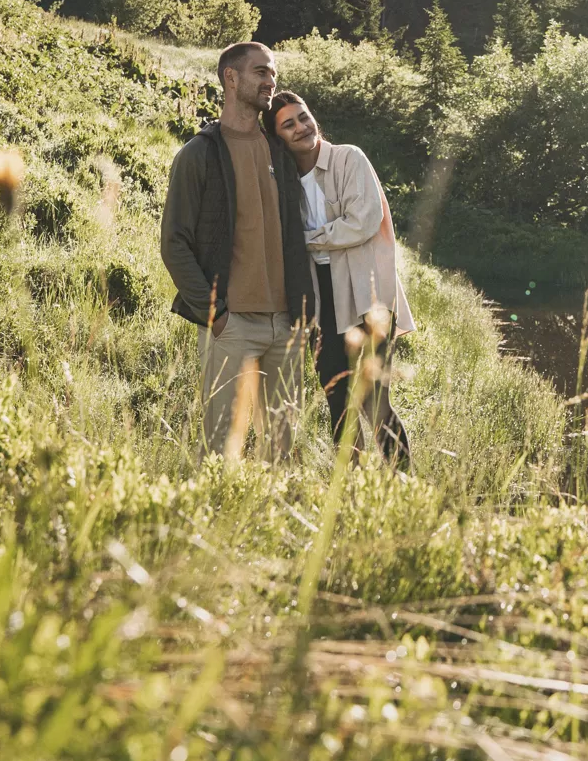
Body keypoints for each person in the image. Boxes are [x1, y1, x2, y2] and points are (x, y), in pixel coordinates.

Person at [160, 41, 312, 459]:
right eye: (261, 72)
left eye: (273, 72)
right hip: (231, 327)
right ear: (231, 77)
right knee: (218, 450)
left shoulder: (280, 152)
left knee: (281, 451)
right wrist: (217, 315)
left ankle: (272, 524)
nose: (271, 80)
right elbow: (174, 243)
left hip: (285, 327)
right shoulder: (199, 154)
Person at [264, 91, 413, 462]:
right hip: (321, 295)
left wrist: (307, 241)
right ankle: (351, 487)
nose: (301, 127)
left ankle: (402, 482)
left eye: (304, 117)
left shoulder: (349, 157)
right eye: (288, 124)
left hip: (366, 294)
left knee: (374, 400)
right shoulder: (283, 180)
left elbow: (362, 221)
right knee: (337, 397)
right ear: (277, 136)